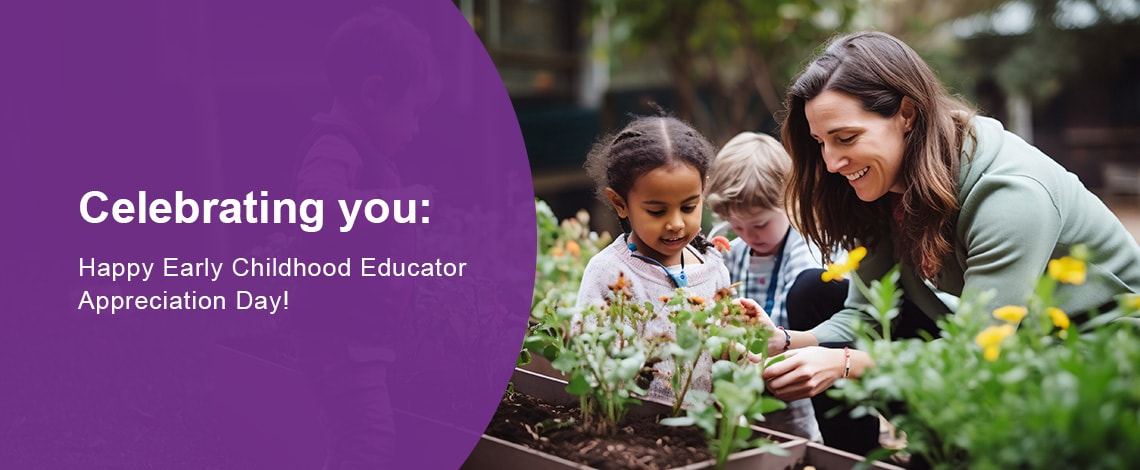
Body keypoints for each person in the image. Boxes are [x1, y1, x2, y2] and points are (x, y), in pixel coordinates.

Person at [757, 30, 1140, 455]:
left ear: (907, 113)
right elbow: (863, 317)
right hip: (1009, 340)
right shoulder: (888, 182)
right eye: (820, 143)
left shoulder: (1010, 195)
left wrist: (846, 363)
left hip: (1090, 360)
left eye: (846, 138)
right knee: (817, 292)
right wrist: (787, 342)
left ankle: (952, 453)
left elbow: (978, 353)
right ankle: (862, 461)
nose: (831, 163)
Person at [290, 6, 439, 469]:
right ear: (374, 93)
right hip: (341, 337)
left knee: (352, 435)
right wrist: (398, 204)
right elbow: (314, 205)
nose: (416, 130)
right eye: (413, 112)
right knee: (368, 439)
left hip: (356, 336)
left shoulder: (360, 152)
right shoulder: (335, 147)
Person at [577, 115, 763, 405]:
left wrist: (736, 351)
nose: (676, 223)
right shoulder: (610, 273)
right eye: (656, 211)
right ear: (620, 203)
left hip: (701, 429)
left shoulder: (712, 266)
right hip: (634, 432)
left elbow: (721, 349)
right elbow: (592, 365)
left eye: (689, 207)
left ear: (705, 189)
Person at [703, 131, 829, 442]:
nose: (748, 236)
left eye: (759, 225)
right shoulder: (732, 252)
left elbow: (804, 326)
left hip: (792, 376)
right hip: (744, 378)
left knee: (795, 442)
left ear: (788, 201)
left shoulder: (806, 255)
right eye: (738, 226)